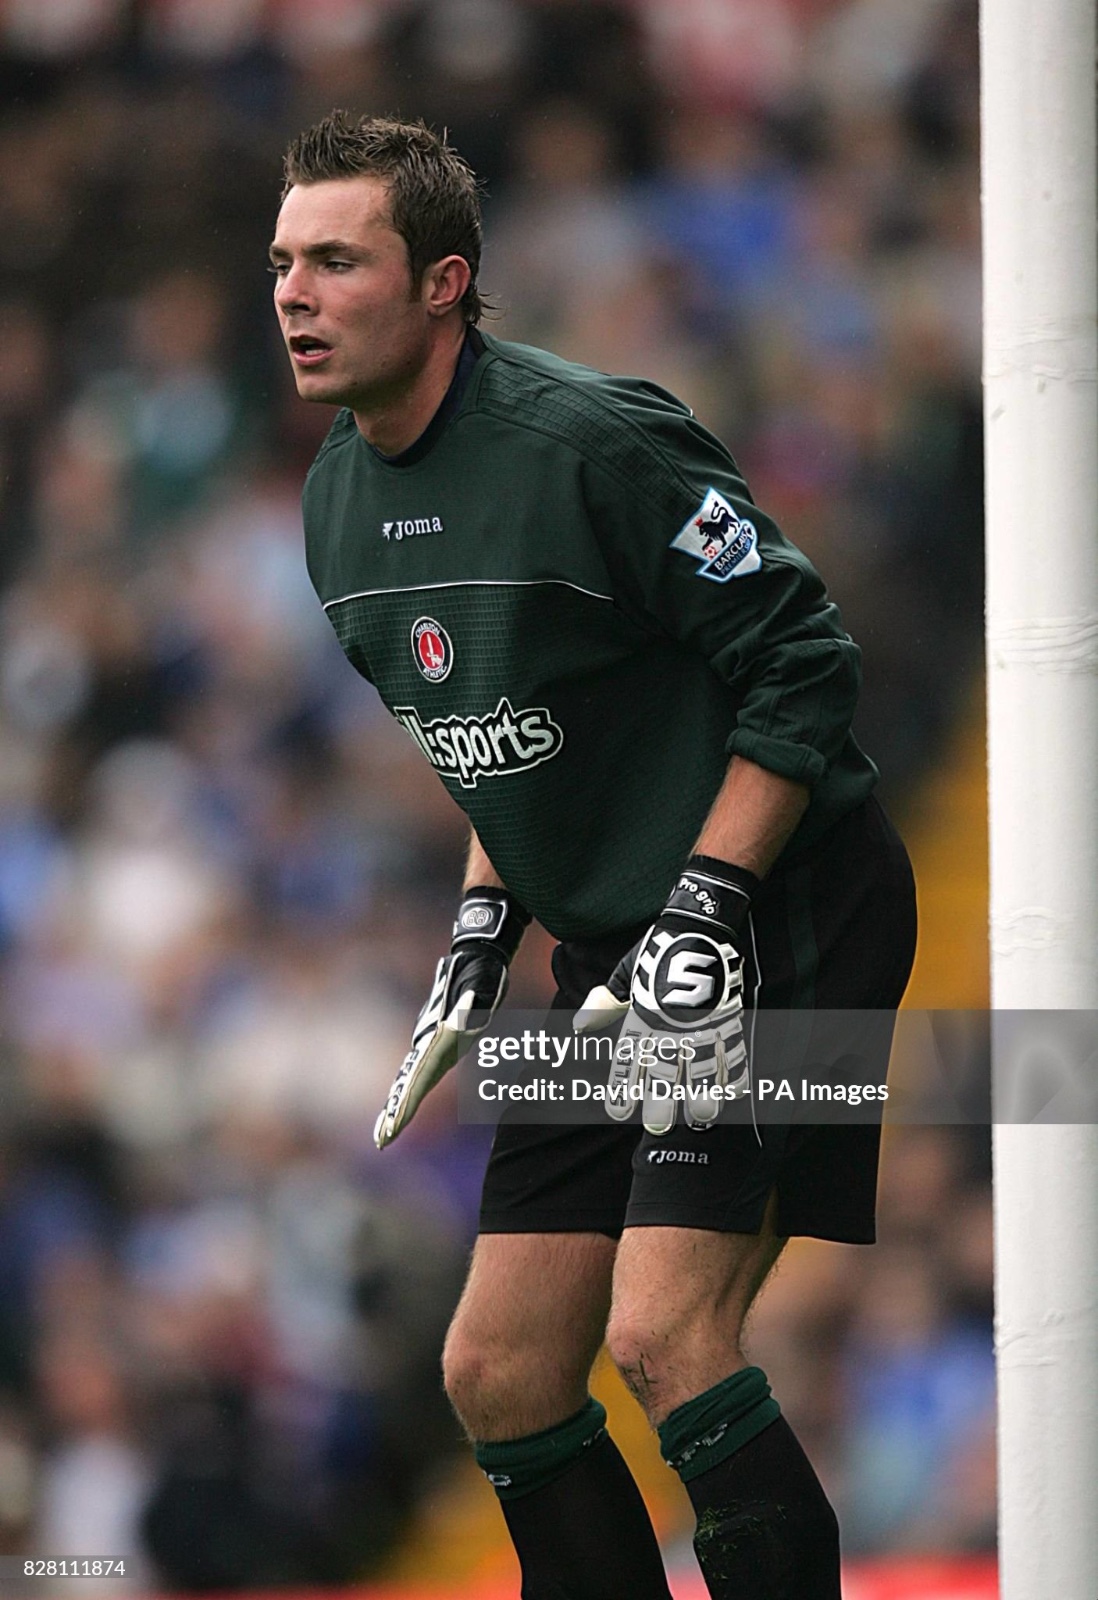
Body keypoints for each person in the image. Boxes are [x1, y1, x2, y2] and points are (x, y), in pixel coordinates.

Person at [271, 111, 917, 1600]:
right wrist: (478, 935)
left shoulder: (592, 441)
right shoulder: (332, 506)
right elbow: (501, 741)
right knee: (496, 1369)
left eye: (337, 261)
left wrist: (709, 902)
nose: (296, 295)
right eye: (283, 264)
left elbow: (806, 668)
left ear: (443, 283)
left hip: (782, 906)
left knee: (662, 1335)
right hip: (607, 953)